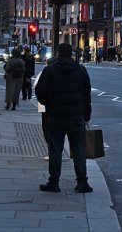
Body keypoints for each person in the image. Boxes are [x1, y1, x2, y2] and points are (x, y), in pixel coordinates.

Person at [34, 43, 93, 193]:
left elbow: (39, 91)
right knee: (79, 149)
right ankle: (82, 182)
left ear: (58, 54)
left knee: (55, 149)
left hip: (56, 116)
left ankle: (54, 182)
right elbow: (87, 95)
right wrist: (87, 115)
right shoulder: (80, 70)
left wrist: (48, 103)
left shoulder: (50, 70)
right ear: (71, 54)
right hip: (76, 116)